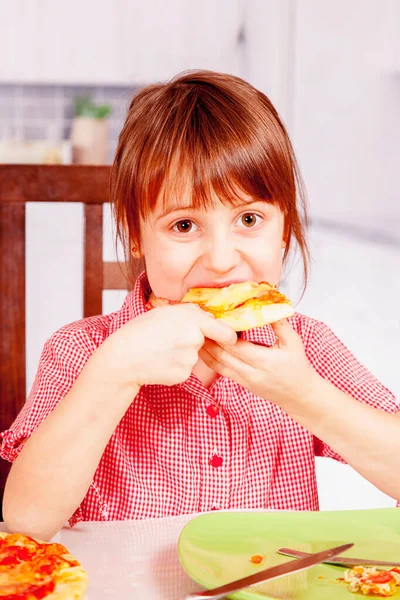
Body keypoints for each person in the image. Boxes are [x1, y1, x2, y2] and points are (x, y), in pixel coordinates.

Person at [1, 71, 399, 541]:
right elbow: (27, 520)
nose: (221, 259)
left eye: (249, 219)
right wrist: (113, 373)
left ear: (285, 228)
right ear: (134, 232)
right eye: (185, 226)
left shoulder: (304, 348)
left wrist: (303, 394)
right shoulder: (82, 350)